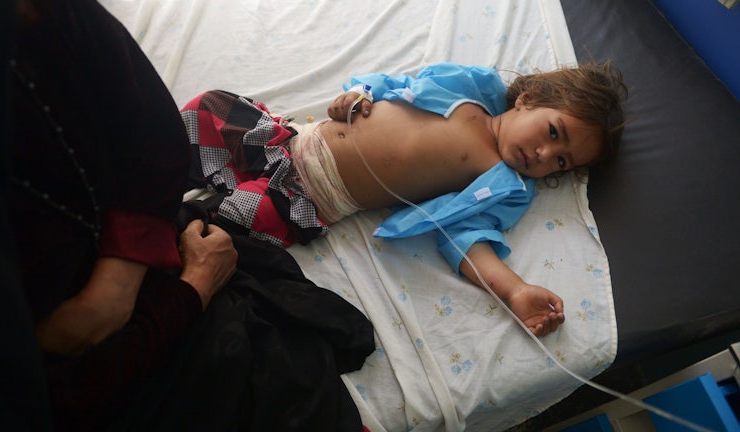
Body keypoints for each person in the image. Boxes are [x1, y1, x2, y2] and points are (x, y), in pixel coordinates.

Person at [182, 61, 627, 337]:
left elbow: (468, 238)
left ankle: (183, 216)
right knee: (209, 107)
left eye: (562, 163)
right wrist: (358, 95)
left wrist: (515, 290)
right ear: (527, 100)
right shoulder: (470, 89)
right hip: (285, 140)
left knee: (226, 225)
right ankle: (145, 165)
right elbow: (395, 86)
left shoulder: (505, 187)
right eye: (553, 133)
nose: (545, 155)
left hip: (303, 197)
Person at [2, 0, 238, 430]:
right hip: (110, 378)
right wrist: (194, 289)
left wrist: (116, 282)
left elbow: (149, 126)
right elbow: (62, 399)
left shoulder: (45, 18)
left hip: (144, 264)